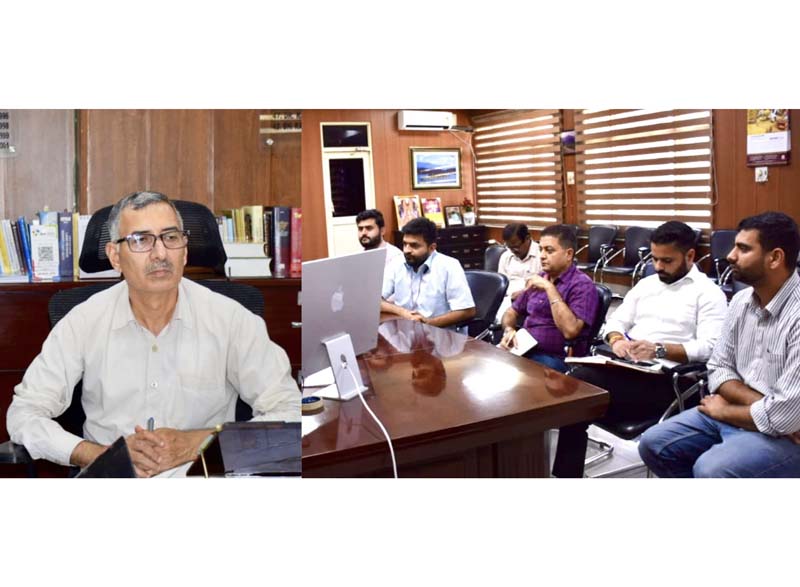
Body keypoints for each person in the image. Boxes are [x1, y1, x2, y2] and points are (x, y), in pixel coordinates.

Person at [6, 191, 300, 477]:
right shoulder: (83, 321)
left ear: (184, 251)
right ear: (115, 256)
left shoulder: (231, 319)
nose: (160, 253)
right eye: (141, 240)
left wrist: (196, 443)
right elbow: (24, 414)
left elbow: (290, 415)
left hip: (202, 477)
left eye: (171, 238)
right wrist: (101, 456)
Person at [552, 220, 727, 477]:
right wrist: (616, 340)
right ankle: (566, 475)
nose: (658, 266)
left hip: (671, 382)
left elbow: (710, 348)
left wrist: (659, 350)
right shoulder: (647, 285)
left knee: (578, 390)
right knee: (575, 388)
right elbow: (615, 322)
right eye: (655, 259)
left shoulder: (708, 293)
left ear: (690, 255)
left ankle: (565, 476)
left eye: (667, 261)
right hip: (631, 368)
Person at [639, 212, 800, 477]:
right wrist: (758, 403)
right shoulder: (740, 302)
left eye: (743, 249)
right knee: (653, 443)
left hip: (786, 435)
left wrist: (726, 411)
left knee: (711, 469)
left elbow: (784, 419)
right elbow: (717, 367)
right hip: (754, 414)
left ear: (775, 258)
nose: (730, 256)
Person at [499, 224, 598, 373]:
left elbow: (570, 331)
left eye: (549, 251)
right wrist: (509, 330)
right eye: (541, 249)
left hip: (556, 358)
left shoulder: (582, 285)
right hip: (525, 349)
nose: (542, 256)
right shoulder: (540, 278)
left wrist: (550, 288)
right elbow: (511, 312)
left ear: (568, 254)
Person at [381, 217, 476, 329]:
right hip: (405, 331)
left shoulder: (449, 266)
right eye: (405, 244)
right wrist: (403, 312)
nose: (407, 250)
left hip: (440, 334)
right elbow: (376, 300)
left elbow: (467, 311)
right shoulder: (397, 263)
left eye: (414, 245)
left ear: (432, 247)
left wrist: (429, 323)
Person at [495, 223, 542, 319]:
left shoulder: (541, 255)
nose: (513, 251)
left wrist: (524, 293)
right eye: (509, 247)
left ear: (527, 238)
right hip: (508, 301)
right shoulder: (506, 256)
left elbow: (544, 285)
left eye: (516, 246)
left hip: (533, 301)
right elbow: (501, 285)